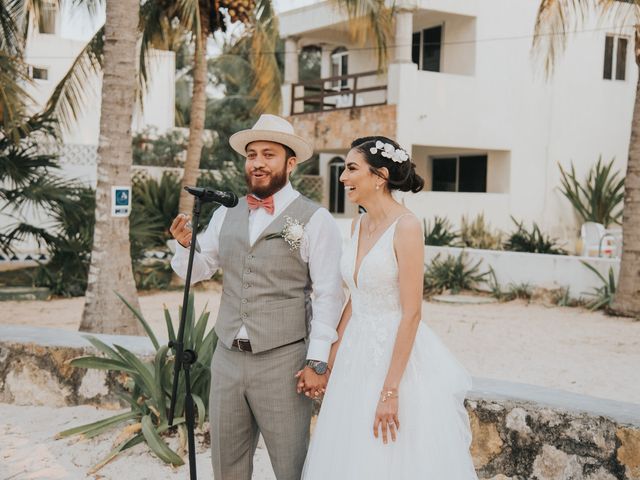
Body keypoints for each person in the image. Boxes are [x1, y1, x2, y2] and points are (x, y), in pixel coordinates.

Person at [170, 114, 344, 480]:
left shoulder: (316, 219)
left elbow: (329, 294)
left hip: (283, 360)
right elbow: (200, 269)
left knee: (291, 464)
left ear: (290, 163)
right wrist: (185, 246)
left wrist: (318, 360)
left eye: (268, 154)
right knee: (227, 463)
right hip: (227, 358)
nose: (258, 163)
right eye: (252, 155)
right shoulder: (225, 213)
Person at [301, 136, 478, 479]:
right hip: (355, 355)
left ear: (380, 176)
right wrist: (326, 362)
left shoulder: (407, 226)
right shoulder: (356, 224)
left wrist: (390, 392)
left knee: (388, 457)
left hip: (395, 359)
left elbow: (412, 313)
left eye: (351, 169)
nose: (343, 178)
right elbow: (355, 298)